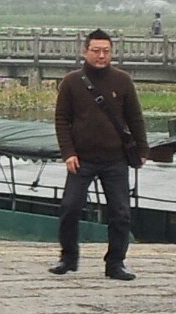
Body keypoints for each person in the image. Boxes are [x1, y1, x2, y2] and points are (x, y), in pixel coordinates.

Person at [51, 30, 148, 280]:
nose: (101, 56)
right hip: (81, 159)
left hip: (115, 159)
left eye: (106, 51)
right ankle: (68, 258)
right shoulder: (71, 82)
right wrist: (68, 153)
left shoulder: (122, 80)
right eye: (96, 51)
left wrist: (142, 150)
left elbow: (135, 117)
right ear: (85, 52)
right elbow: (61, 119)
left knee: (121, 212)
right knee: (70, 208)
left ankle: (115, 263)